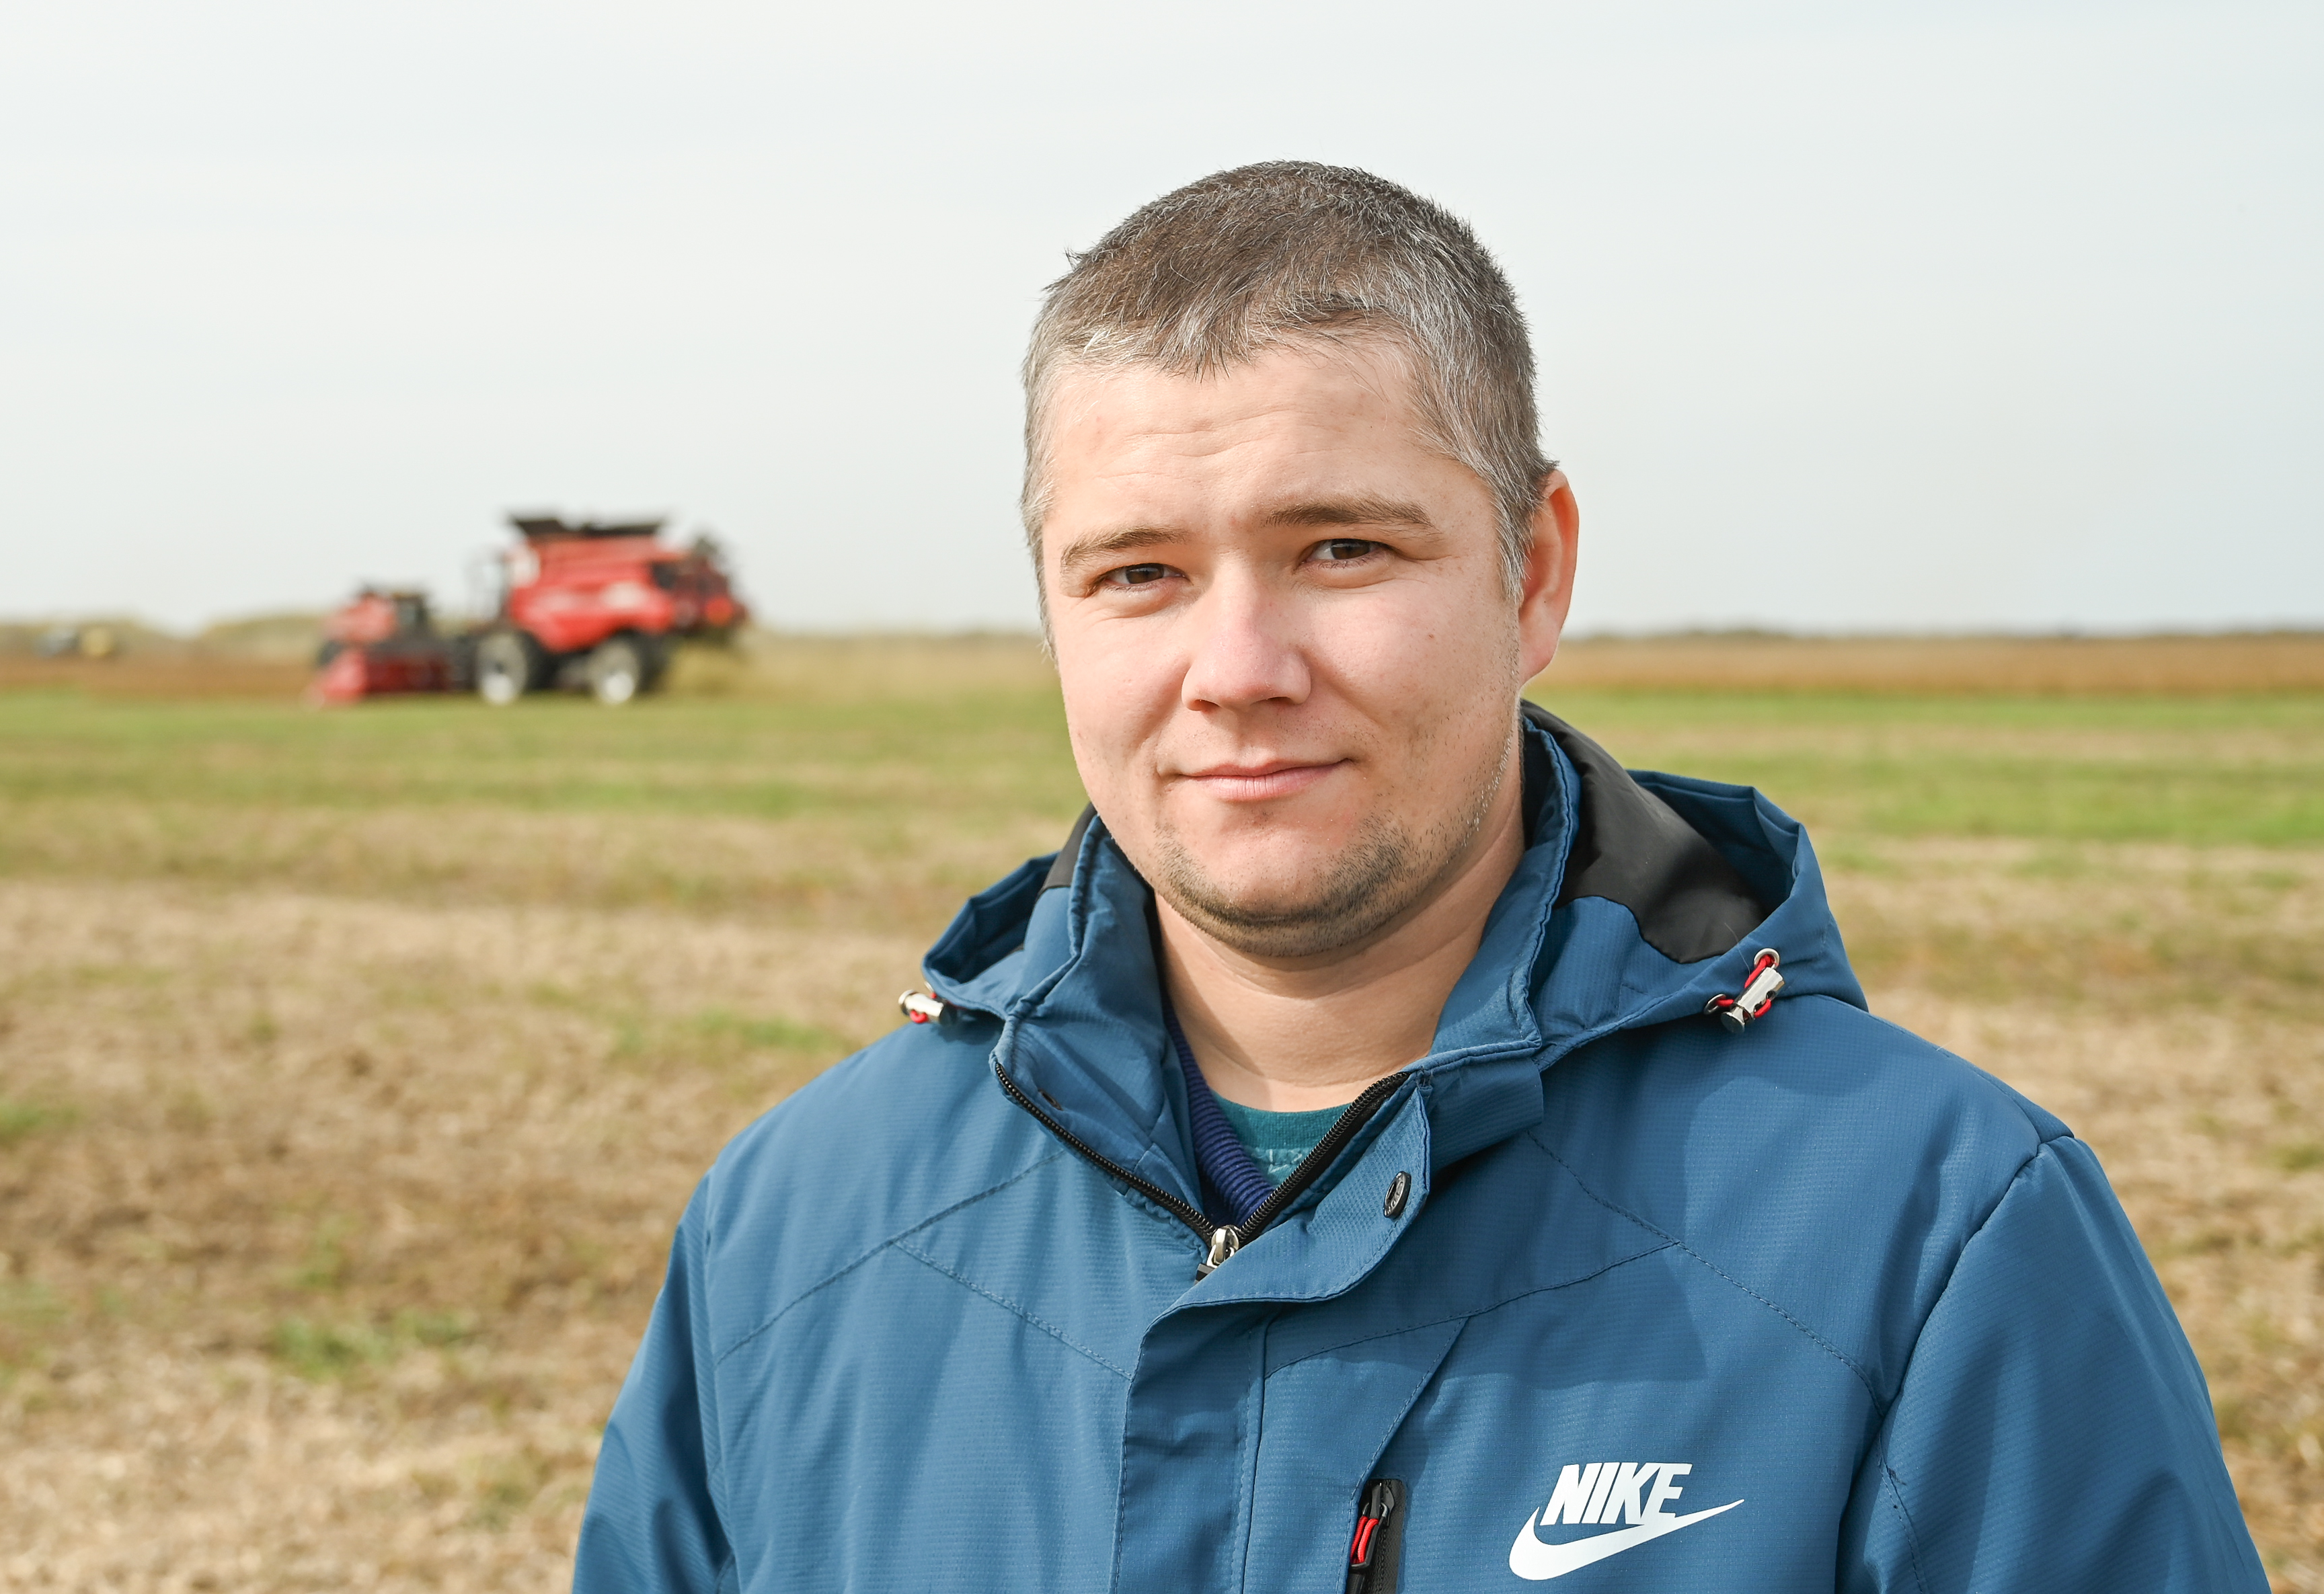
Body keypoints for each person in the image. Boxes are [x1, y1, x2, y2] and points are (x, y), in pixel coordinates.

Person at [574, 162, 2263, 1593]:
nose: (1235, 665)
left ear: (1532, 573)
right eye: (1139, 572)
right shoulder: (793, 1230)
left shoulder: (1936, 1232)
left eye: (1340, 549)